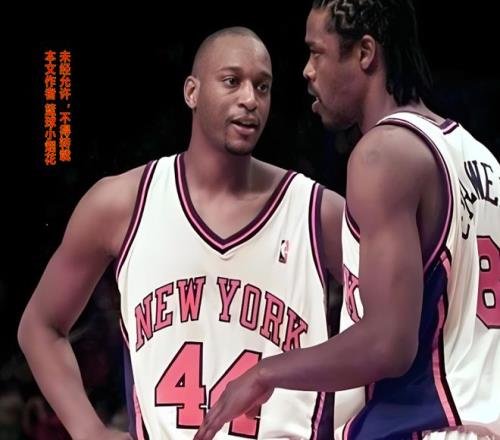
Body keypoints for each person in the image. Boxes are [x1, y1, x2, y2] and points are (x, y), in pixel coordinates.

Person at [18, 27, 345, 440]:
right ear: (192, 92)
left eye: (262, 86)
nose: (250, 99)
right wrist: (88, 430)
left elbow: (390, 336)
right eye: (232, 81)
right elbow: (40, 326)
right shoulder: (121, 204)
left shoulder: (317, 212)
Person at [194, 2, 500, 440]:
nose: (307, 71)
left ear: (365, 53)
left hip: (426, 427)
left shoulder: (382, 154)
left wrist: (264, 373)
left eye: (316, 52)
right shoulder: (480, 157)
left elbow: (388, 344)